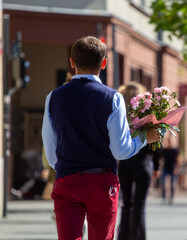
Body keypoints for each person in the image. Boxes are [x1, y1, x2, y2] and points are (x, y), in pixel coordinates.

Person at [42, 36, 160, 240]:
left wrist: (64, 169)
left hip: (67, 180)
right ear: (103, 63)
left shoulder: (54, 97)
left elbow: (50, 147)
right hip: (101, 182)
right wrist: (144, 138)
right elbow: (120, 150)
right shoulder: (112, 98)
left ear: (72, 62)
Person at [116, 82, 160, 240]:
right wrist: (156, 165)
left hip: (126, 163)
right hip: (143, 163)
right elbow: (155, 142)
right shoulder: (146, 114)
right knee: (139, 206)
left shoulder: (121, 115)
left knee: (126, 204)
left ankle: (123, 236)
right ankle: (139, 237)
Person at [161, 138, 179, 204]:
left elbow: (177, 160)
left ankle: (171, 197)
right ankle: (163, 197)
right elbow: (162, 159)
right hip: (165, 168)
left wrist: (177, 168)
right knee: (163, 183)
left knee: (172, 184)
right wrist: (160, 168)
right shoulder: (164, 150)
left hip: (172, 169)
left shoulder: (174, 151)